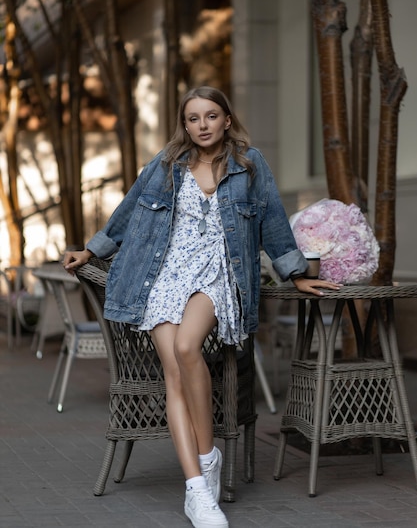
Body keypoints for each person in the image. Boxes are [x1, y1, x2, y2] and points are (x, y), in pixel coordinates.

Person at [63, 86, 341, 528]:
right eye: (194, 118)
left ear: (227, 119)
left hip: (218, 271)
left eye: (211, 115)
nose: (203, 125)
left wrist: (296, 272)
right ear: (185, 124)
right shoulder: (166, 164)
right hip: (164, 272)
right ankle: (197, 488)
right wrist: (92, 251)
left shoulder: (249, 164)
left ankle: (208, 454)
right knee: (174, 368)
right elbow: (130, 210)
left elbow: (271, 220)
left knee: (188, 348)